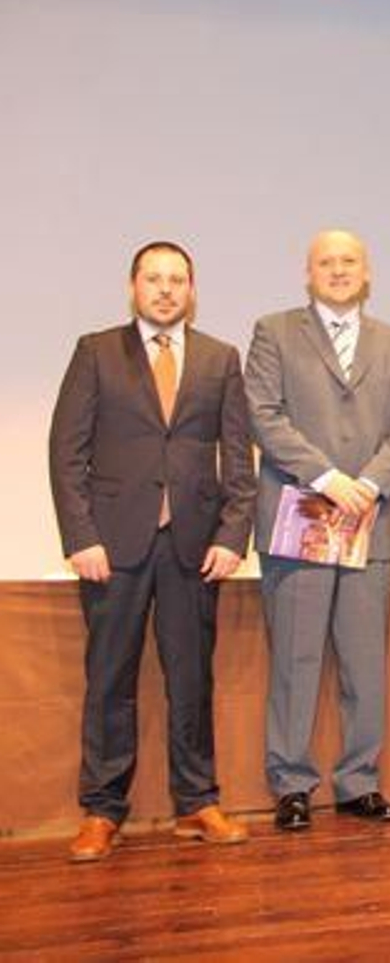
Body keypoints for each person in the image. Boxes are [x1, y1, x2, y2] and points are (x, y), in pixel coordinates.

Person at [49, 241, 255, 862]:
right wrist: (81, 536)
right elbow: (66, 455)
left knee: (192, 679)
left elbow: (238, 460)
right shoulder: (96, 352)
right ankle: (102, 809)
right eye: (153, 279)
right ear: (133, 286)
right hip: (113, 547)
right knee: (110, 680)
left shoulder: (220, 358)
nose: (165, 289)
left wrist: (231, 535)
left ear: (191, 290)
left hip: (194, 548)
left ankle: (196, 802)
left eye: (177, 280)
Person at [246, 229, 390, 831]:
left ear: (367, 272)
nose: (339, 270)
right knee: (296, 662)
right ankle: (292, 785)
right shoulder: (274, 333)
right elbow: (263, 416)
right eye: (327, 262)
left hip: (370, 520)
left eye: (349, 261)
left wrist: (368, 485)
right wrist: (327, 477)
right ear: (308, 273)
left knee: (364, 661)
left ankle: (358, 783)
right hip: (301, 517)